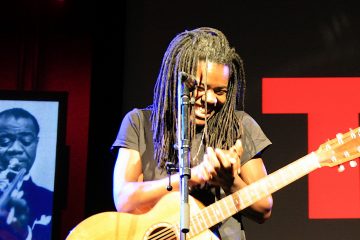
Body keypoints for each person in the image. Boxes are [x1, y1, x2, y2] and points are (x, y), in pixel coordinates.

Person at [112, 27, 273, 240]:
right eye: (199, 87)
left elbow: (264, 208)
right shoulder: (139, 123)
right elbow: (125, 200)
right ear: (175, 81)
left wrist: (229, 180)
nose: (210, 99)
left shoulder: (239, 126)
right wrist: (193, 177)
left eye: (220, 91)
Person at [0, 108, 52, 240]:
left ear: (36, 143)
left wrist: (24, 234)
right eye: (4, 141)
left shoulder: (49, 200)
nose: (15, 149)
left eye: (26, 140)